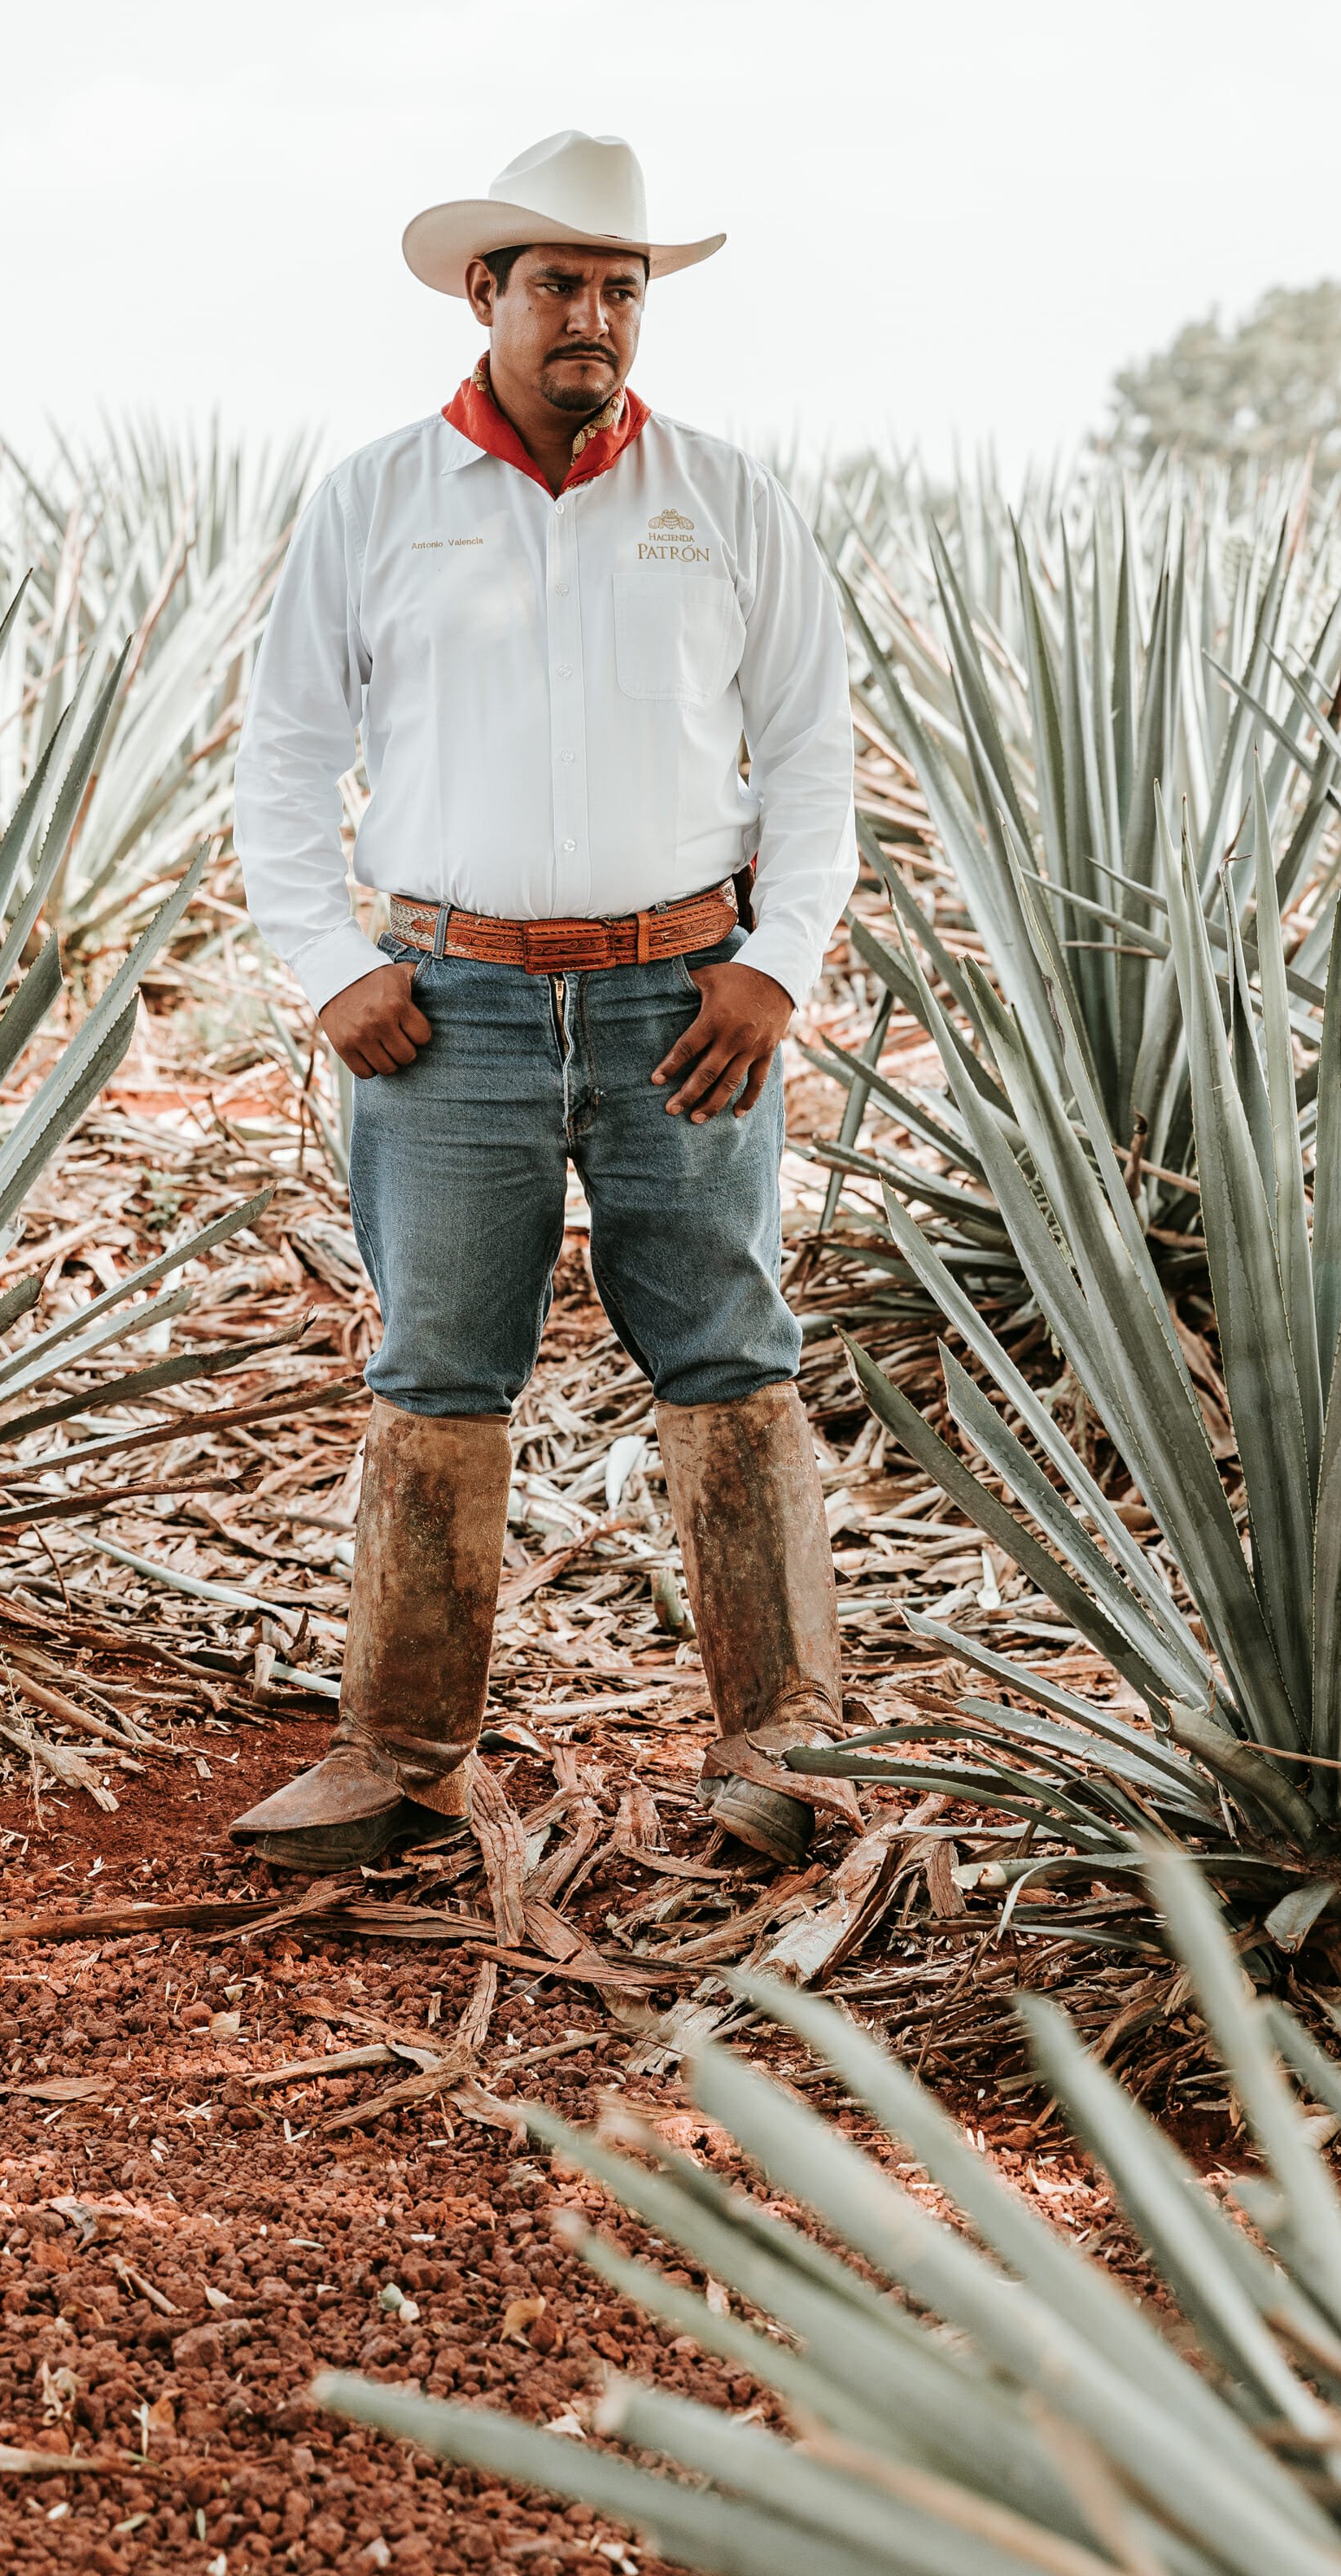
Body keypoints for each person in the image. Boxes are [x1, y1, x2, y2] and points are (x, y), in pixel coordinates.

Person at [230, 129, 858, 1874]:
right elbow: (281, 757)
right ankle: (402, 1756)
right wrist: (330, 968)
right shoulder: (375, 497)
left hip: (686, 1004)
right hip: (450, 1009)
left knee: (731, 1352)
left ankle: (789, 1744)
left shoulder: (723, 498)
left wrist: (773, 962)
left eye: (620, 286)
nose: (593, 313)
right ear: (481, 293)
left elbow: (812, 758)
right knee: (437, 1366)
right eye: (559, 283)